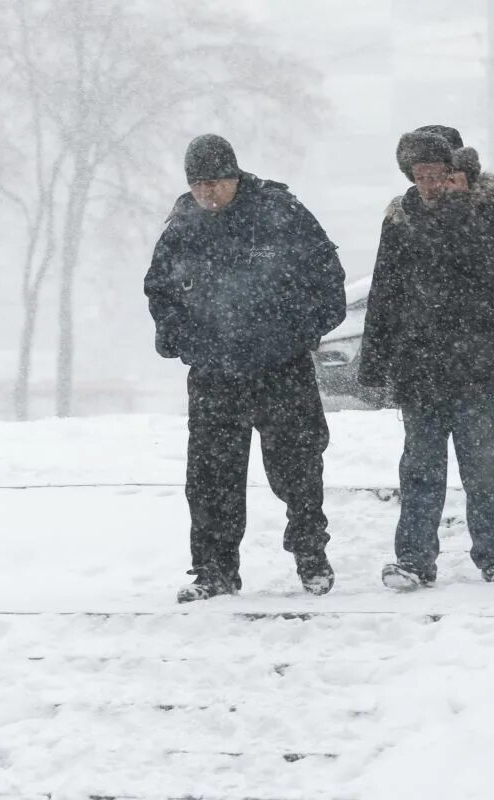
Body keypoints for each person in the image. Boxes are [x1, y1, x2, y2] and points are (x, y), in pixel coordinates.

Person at [144, 133, 347, 603]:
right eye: (197, 185)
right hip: (215, 374)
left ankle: (310, 552)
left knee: (298, 466)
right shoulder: (182, 227)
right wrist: (178, 340)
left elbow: (327, 278)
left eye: (215, 183)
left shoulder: (281, 214)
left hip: (281, 368)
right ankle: (214, 570)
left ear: (235, 176)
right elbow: (160, 290)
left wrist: (301, 332)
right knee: (211, 478)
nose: (206, 194)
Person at [358, 125, 494, 590]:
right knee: (420, 471)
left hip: (479, 364)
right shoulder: (400, 220)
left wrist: (460, 209)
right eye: (419, 175)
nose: (428, 185)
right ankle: (414, 560)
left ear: (457, 172)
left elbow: (487, 259)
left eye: (437, 174)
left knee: (486, 471)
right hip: (421, 367)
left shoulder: (489, 214)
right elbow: (385, 290)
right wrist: (374, 356)